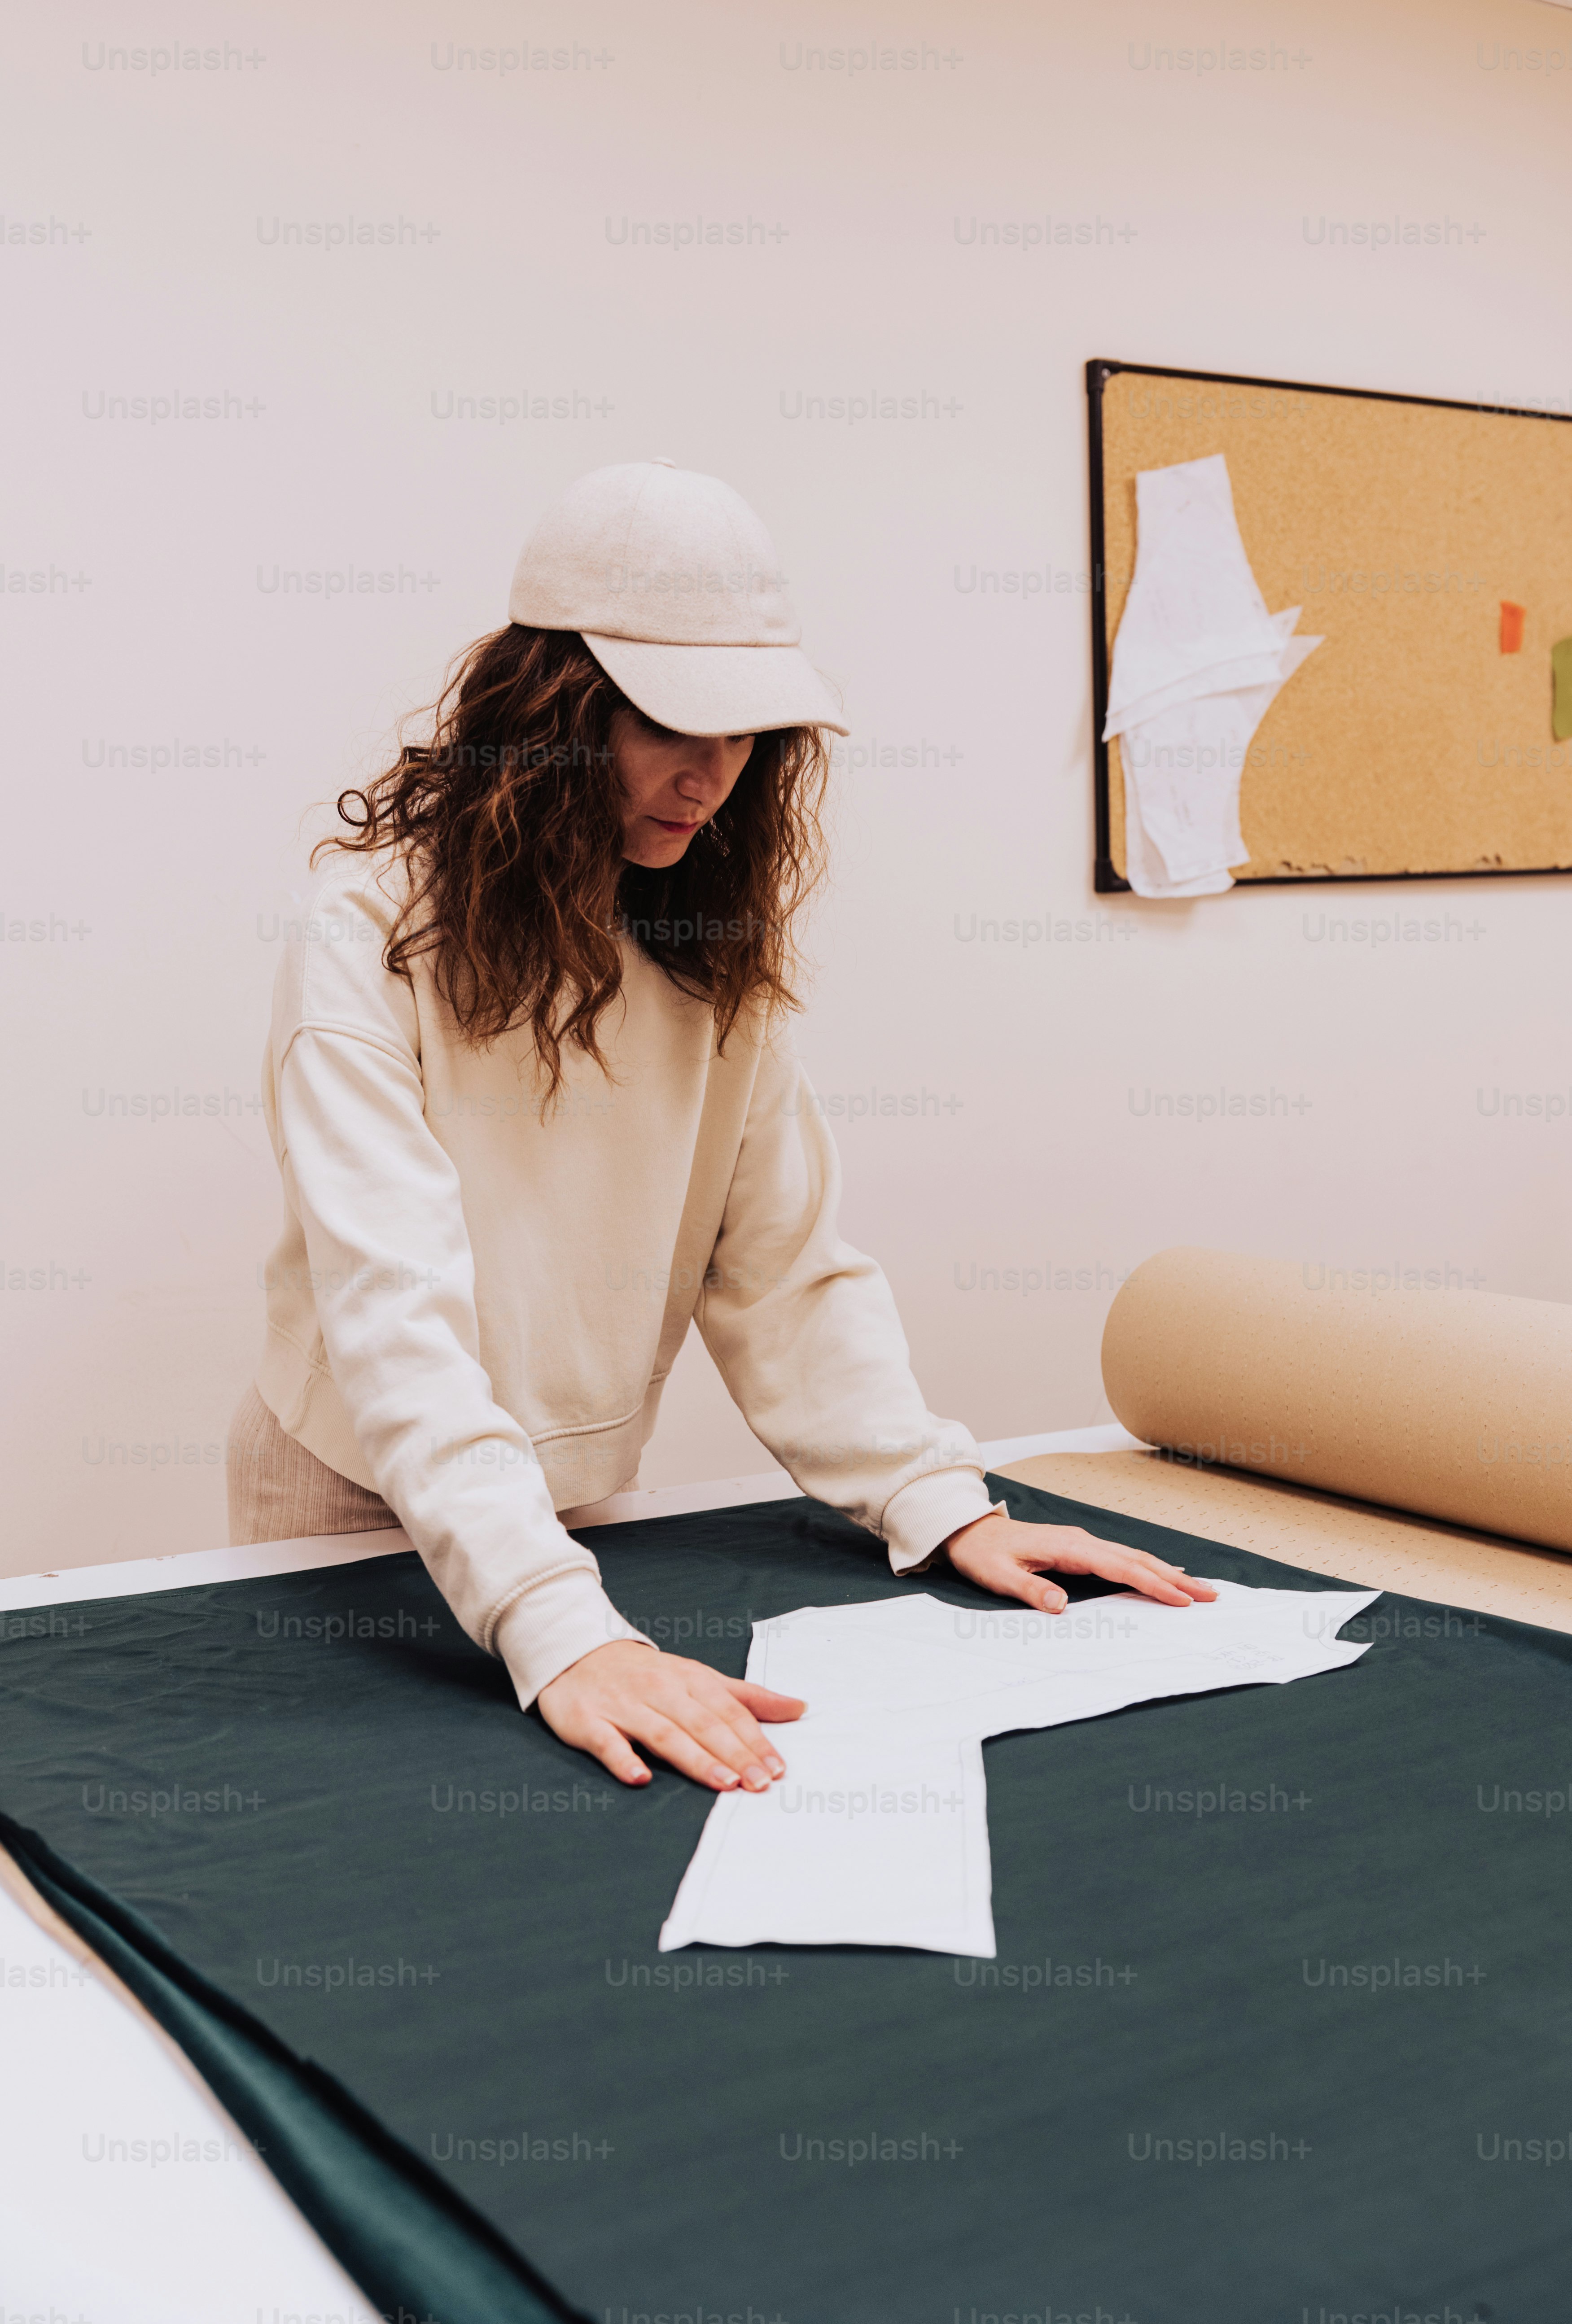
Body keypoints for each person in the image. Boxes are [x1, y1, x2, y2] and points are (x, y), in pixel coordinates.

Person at [228, 459, 1213, 1796]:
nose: (713, 777)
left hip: (557, 1517)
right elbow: (392, 1306)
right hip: (348, 1500)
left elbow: (785, 1272)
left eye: (746, 734)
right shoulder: (366, 930)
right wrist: (556, 1623)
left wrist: (940, 1503)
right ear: (553, 712)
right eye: (669, 728)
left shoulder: (705, 944)